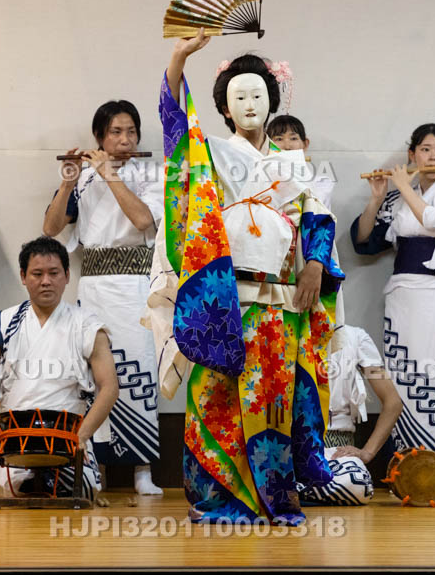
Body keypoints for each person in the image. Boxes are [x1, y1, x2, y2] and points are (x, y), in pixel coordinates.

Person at [148, 31, 344, 525]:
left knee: (274, 402)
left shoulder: (289, 166)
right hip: (225, 301)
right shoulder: (209, 155)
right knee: (215, 401)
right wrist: (179, 57)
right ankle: (218, 498)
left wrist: (317, 263)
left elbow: (316, 216)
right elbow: (174, 126)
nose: (250, 103)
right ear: (225, 109)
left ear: (272, 102)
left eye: (259, 94)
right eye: (239, 96)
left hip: (280, 302)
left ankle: (276, 497)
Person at [42, 100, 163, 496]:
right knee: (94, 376)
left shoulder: (153, 173)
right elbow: (50, 228)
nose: (125, 140)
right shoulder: (85, 178)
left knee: (138, 370)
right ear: (99, 137)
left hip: (135, 287)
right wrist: (68, 181)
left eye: (131, 132)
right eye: (115, 132)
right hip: (93, 286)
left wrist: (109, 173)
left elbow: (144, 221)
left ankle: (142, 470)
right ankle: (95, 468)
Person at [350, 123, 435, 485]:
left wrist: (403, 185)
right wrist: (377, 197)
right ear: (412, 155)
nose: (433, 156)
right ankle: (403, 471)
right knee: (402, 379)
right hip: (401, 295)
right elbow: (364, 241)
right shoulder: (396, 198)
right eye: (425, 149)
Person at [0, 237, 119, 500]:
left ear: (67, 276)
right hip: (14, 439)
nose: (46, 281)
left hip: (69, 438)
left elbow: (109, 387)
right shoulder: (1, 323)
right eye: (37, 274)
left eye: (54, 273)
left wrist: (80, 439)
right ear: (24, 277)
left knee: (77, 492)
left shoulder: (88, 325)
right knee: (7, 493)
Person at [297, 325, 403, 506]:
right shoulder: (285, 327)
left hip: (337, 453)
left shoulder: (355, 337)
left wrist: (367, 453)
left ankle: (291, 491)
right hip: (293, 445)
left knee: (358, 483)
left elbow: (393, 402)